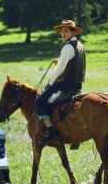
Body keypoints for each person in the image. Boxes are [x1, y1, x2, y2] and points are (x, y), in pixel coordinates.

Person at [35, 19, 86, 147]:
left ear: (73, 32)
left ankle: (51, 132)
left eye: (66, 31)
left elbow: (60, 69)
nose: (63, 34)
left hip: (65, 84)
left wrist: (50, 83)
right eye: (62, 31)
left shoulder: (67, 47)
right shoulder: (80, 46)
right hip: (77, 85)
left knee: (39, 101)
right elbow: (72, 63)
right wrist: (60, 60)